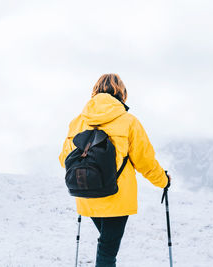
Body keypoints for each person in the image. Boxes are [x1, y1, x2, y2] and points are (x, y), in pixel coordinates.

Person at [59, 73, 171, 267]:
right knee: (107, 250)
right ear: (122, 93)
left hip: (86, 192)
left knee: (106, 244)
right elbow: (145, 161)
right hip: (116, 197)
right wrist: (164, 181)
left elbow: (64, 160)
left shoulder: (77, 121)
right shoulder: (129, 121)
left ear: (95, 90)